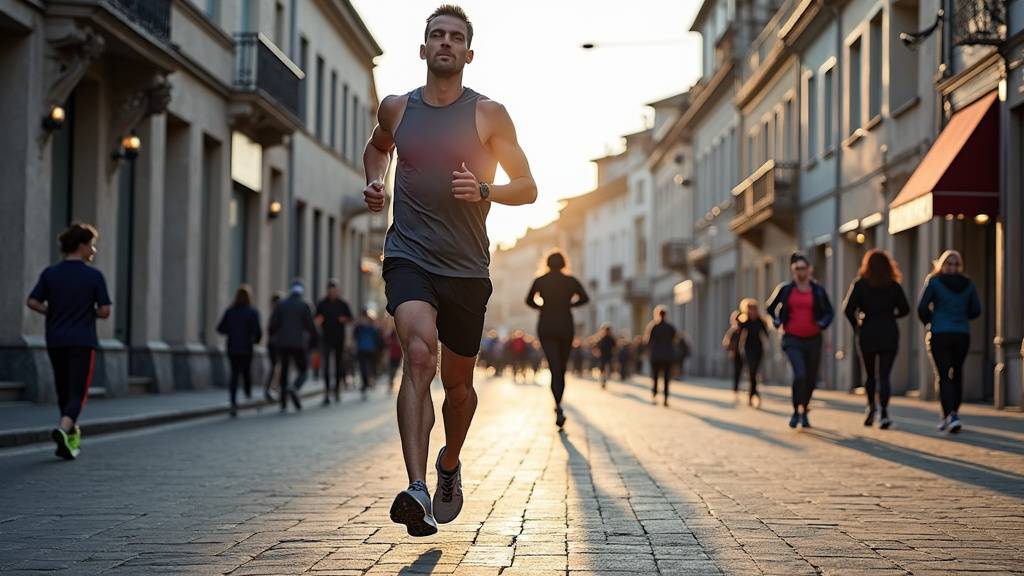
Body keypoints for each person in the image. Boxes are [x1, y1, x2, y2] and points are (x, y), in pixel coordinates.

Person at [361, 4, 537, 536]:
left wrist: (486, 190)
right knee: (418, 355)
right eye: (436, 35)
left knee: (458, 386)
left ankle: (449, 464)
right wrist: (376, 182)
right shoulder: (396, 108)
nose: (444, 43)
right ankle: (416, 487)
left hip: (466, 268)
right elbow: (377, 149)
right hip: (409, 255)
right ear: (422, 48)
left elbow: (528, 187)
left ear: (468, 52)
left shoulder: (488, 114)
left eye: (454, 37)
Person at [26, 223, 111, 460]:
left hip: (55, 338)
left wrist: (52, 312)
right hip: (82, 340)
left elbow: (32, 301)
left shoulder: (50, 274)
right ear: (82, 246)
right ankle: (63, 429)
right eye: (92, 246)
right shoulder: (93, 276)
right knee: (78, 392)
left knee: (63, 389)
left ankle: (69, 435)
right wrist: (87, 312)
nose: (93, 251)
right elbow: (104, 311)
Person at [842, 250, 910, 429]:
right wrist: (891, 315)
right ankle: (885, 413)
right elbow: (905, 309)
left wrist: (857, 324)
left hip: (868, 332)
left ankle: (871, 407)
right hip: (889, 331)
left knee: (870, 375)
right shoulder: (894, 286)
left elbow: (847, 309)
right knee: (885, 376)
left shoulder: (861, 284)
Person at [767, 252, 834, 429]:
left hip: (813, 338)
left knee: (811, 378)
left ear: (809, 269)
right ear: (793, 270)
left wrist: (822, 323)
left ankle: (804, 410)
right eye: (797, 268)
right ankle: (796, 410)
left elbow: (829, 311)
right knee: (800, 374)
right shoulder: (786, 289)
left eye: (803, 268)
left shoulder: (818, 290)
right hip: (792, 339)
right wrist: (776, 320)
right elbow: (770, 307)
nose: (800, 272)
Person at [917, 250, 981, 434]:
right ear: (944, 264)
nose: (951, 267)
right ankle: (953, 415)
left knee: (944, 376)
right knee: (957, 373)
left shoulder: (934, 281)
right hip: (961, 334)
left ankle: (949, 416)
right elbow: (976, 310)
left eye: (954, 264)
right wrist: (961, 317)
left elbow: (922, 307)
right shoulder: (968, 284)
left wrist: (932, 320)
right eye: (950, 264)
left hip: (940, 333)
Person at [525, 249, 590, 428]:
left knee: (554, 365)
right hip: (565, 325)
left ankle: (559, 405)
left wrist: (543, 307)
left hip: (546, 325)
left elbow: (528, 300)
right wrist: (569, 304)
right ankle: (559, 403)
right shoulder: (570, 281)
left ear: (547, 263)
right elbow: (585, 298)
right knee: (561, 367)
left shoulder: (540, 281)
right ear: (563, 263)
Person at [269, 280, 319, 413]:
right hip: (298, 343)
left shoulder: (281, 305)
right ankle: (295, 387)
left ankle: (283, 402)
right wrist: (316, 339)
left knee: (284, 371)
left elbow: (272, 325)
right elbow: (311, 326)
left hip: (282, 343)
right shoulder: (304, 305)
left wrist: (273, 336)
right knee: (303, 370)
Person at [217, 285, 263, 417]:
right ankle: (247, 392)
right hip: (246, 347)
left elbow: (220, 328)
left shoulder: (230, 311)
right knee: (246, 371)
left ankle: (233, 402)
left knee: (234, 374)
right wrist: (255, 340)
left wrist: (231, 331)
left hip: (232, 347)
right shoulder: (252, 312)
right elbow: (258, 331)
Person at [315, 279, 353, 405]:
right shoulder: (322, 303)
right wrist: (318, 321)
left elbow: (350, 319)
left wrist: (344, 320)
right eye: (331, 291)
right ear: (328, 291)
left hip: (339, 339)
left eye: (335, 291)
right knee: (325, 366)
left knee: (338, 365)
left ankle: (336, 390)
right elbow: (316, 318)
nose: (333, 293)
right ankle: (326, 392)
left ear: (337, 291)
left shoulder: (342, 304)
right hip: (326, 338)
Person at [736, 298, 769, 408]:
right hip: (747, 348)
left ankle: (752, 393)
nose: (752, 311)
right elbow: (738, 327)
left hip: (758, 348)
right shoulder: (744, 320)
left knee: (755, 371)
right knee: (752, 370)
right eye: (750, 309)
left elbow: (766, 333)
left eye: (754, 309)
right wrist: (742, 315)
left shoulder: (760, 320)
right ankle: (753, 394)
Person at [644, 306, 677, 407]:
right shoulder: (670, 327)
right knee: (666, 378)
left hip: (656, 356)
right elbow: (675, 340)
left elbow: (648, 342)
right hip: (667, 355)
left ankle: (654, 396)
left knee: (655, 377)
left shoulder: (653, 326)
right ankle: (665, 398)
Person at [354, 310, 382, 399]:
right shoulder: (358, 328)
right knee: (363, 368)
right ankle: (365, 384)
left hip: (371, 350)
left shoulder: (372, 328)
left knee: (370, 368)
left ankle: (369, 382)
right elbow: (354, 337)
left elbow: (378, 339)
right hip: (361, 350)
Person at [263, 292, 284, 403]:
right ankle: (273, 389)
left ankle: (273, 389)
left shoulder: (274, 314)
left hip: (273, 344)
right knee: (276, 367)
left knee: (276, 367)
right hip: (277, 344)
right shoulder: (278, 314)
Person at [722, 311, 744, 398]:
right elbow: (726, 343)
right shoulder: (733, 331)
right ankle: (736, 388)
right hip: (736, 354)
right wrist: (732, 347)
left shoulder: (745, 328)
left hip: (745, 353)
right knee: (737, 371)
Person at [595, 325, 616, 389]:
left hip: (609, 356)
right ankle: (603, 380)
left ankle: (605, 379)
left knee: (607, 369)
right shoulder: (601, 338)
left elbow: (615, 347)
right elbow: (596, 347)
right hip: (603, 356)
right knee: (602, 369)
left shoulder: (611, 339)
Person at [385, 325, 403, 393]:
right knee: (391, 371)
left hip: (397, 357)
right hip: (392, 356)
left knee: (394, 371)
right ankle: (390, 384)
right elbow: (387, 345)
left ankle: (391, 383)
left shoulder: (400, 338)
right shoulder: (391, 338)